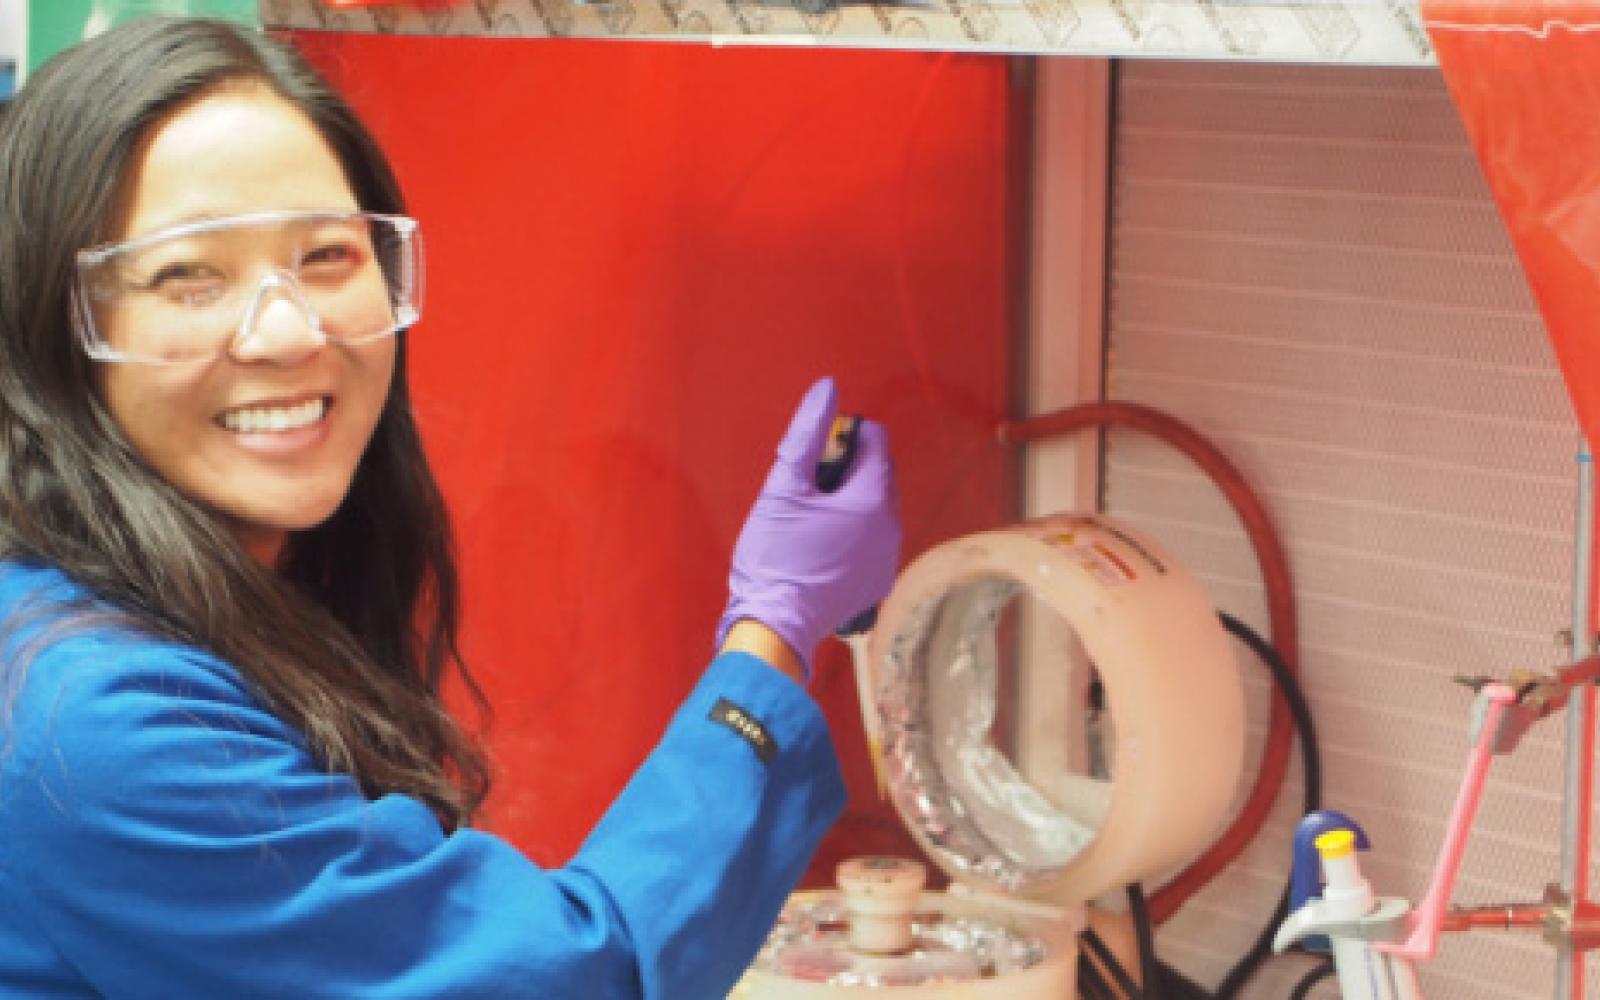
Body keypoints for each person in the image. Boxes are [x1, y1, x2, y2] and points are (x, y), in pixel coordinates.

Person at [0, 17, 900, 999]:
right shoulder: (91, 726)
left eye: (326, 256)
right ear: (54, 328)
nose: (286, 332)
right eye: (187, 275)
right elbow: (569, 981)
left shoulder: (158, 605)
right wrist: (775, 628)